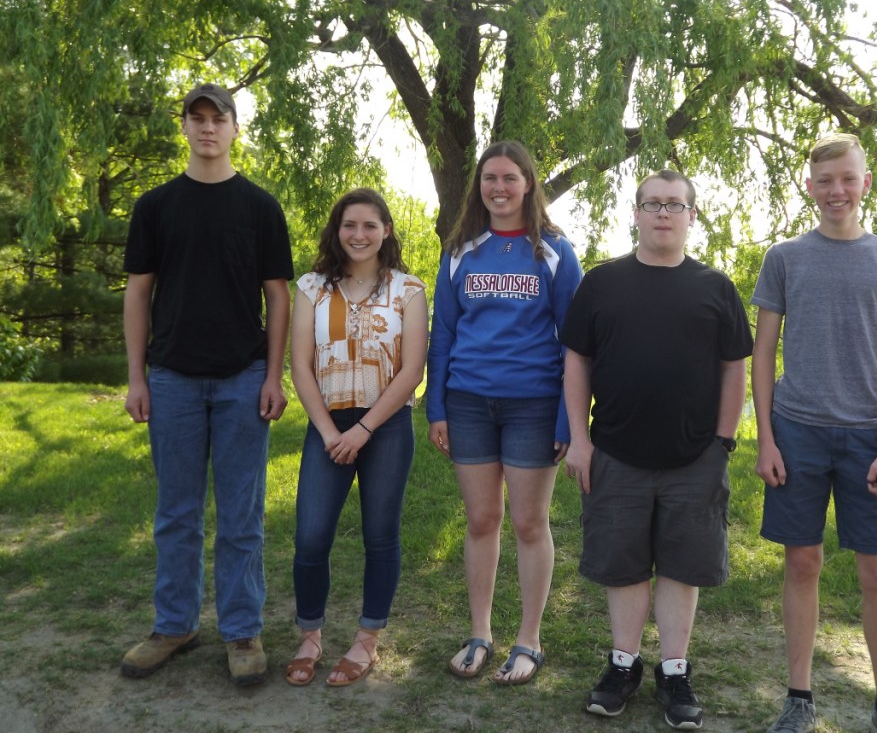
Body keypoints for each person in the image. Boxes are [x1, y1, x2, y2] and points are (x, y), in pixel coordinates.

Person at [562, 169, 753, 729]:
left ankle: (674, 671)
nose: (663, 213)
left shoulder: (716, 288)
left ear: (692, 216)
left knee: (680, 565)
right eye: (652, 204)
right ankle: (623, 666)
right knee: (622, 566)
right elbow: (577, 362)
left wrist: (722, 442)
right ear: (637, 214)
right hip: (615, 453)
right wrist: (579, 438)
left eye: (675, 204)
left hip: (696, 457)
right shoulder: (601, 284)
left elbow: (733, 367)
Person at [121, 83, 294, 685]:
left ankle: (242, 631)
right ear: (186, 129)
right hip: (170, 380)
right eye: (195, 119)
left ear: (234, 127)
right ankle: (174, 624)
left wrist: (275, 376)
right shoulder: (156, 206)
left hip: (244, 377)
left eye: (216, 118)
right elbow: (138, 294)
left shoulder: (260, 208)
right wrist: (136, 377)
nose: (206, 128)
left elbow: (278, 297)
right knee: (176, 512)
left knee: (242, 516)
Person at [752, 133, 877, 733]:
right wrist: (766, 439)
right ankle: (799, 696)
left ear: (865, 184)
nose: (836, 191)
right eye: (825, 181)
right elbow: (763, 352)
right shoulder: (785, 258)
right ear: (809, 187)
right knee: (802, 563)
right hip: (795, 432)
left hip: (869, 436)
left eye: (847, 179)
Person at [426, 140, 583, 685]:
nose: (498, 188)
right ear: (479, 185)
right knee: (481, 520)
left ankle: (529, 640)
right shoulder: (462, 249)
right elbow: (443, 331)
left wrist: (569, 419)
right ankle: (480, 634)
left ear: (528, 184)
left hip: (534, 406)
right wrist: (437, 406)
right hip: (468, 401)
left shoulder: (556, 251)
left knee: (528, 522)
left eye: (509, 178)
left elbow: (576, 343)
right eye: (489, 178)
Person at [285, 188, 428, 687]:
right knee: (311, 536)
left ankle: (366, 640)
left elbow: (412, 370)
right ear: (337, 230)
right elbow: (299, 365)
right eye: (350, 225)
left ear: (386, 230)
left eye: (370, 225)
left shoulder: (408, 290)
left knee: (380, 535)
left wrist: (365, 429)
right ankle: (310, 635)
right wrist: (329, 430)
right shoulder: (311, 288)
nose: (359, 235)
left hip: (386, 426)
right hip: (327, 425)